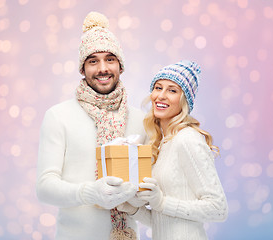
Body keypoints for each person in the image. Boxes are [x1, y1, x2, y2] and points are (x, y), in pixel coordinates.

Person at [36, 11, 146, 240]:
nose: (102, 68)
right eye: (93, 61)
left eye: (110, 59)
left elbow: (150, 192)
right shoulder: (59, 116)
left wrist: (138, 200)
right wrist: (89, 193)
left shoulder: (141, 120)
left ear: (120, 66)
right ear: (82, 69)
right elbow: (45, 188)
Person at [118, 60, 228, 240]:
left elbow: (218, 209)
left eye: (172, 90)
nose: (161, 96)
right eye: (158, 87)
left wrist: (161, 202)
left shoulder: (188, 139)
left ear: (184, 101)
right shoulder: (163, 144)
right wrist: (133, 208)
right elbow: (165, 221)